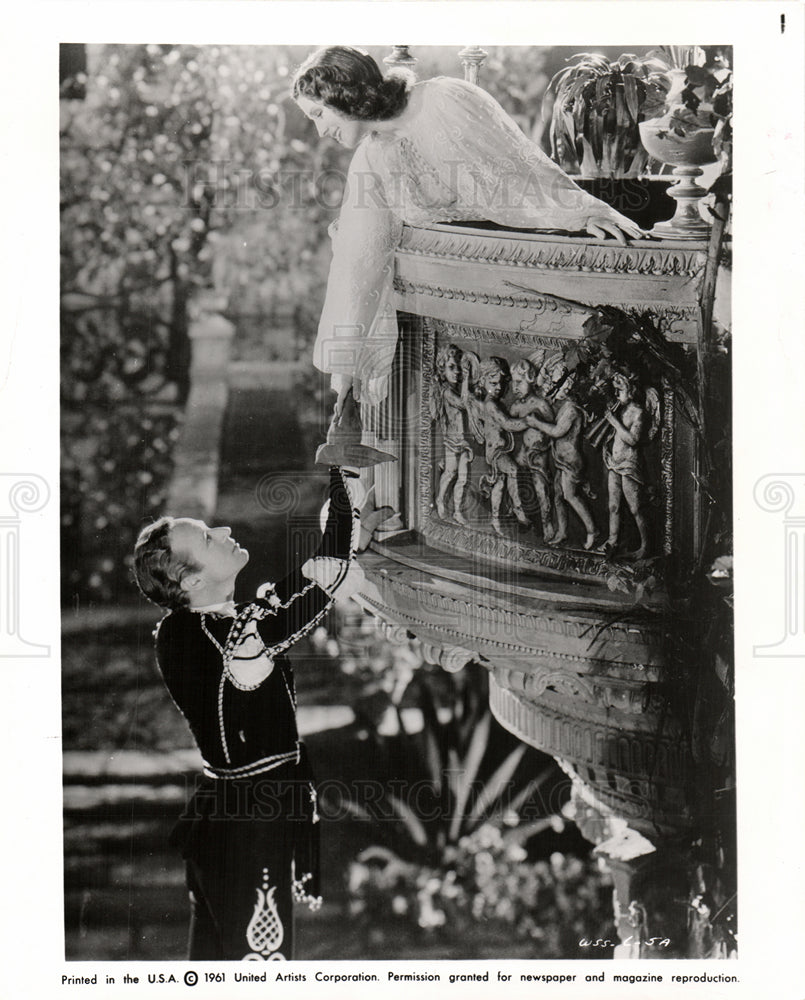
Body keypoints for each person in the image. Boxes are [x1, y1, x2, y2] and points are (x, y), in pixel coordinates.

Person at [292, 46, 645, 412]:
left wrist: (586, 212)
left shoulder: (446, 97)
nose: (320, 131)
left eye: (319, 113)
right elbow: (358, 261)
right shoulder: (371, 158)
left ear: (343, 92)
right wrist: (345, 371)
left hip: (533, 280)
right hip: (462, 302)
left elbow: (523, 168)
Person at [133, 466, 362, 960]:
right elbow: (315, 591)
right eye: (210, 539)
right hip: (248, 827)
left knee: (221, 967)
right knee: (260, 971)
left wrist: (351, 515)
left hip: (234, 816)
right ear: (193, 579)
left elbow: (307, 577)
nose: (226, 532)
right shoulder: (205, 637)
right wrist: (350, 492)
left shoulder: (213, 623)